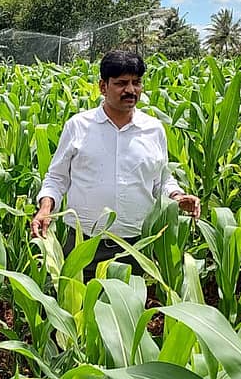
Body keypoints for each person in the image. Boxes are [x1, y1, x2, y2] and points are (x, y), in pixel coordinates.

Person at [30, 50, 200, 279]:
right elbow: (57, 178)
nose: (131, 90)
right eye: (121, 83)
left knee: (128, 311)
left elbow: (161, 179)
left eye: (136, 82)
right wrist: (45, 208)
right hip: (85, 246)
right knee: (79, 311)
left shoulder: (154, 129)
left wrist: (177, 197)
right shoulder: (79, 126)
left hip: (137, 247)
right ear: (103, 86)